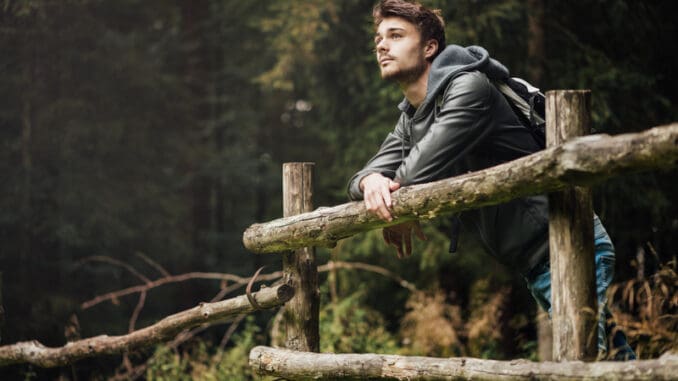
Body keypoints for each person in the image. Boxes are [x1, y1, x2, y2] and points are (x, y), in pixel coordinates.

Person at [347, 0, 635, 361]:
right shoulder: (412, 116)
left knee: (586, 362)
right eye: (378, 37)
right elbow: (363, 176)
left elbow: (416, 172)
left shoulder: (469, 88)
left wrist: (394, 200)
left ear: (429, 47)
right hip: (538, 257)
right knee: (614, 362)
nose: (381, 45)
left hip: (568, 243)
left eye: (396, 35)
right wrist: (371, 181)